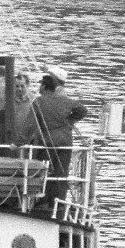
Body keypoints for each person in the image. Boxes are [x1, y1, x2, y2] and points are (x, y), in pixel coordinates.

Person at [26, 65, 88, 206]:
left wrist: (19, 142)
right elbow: (83, 110)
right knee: (61, 172)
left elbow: (29, 125)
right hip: (65, 141)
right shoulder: (65, 100)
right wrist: (69, 122)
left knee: (45, 170)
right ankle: (58, 202)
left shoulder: (39, 102)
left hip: (48, 141)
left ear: (45, 86)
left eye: (41, 84)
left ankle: (43, 199)